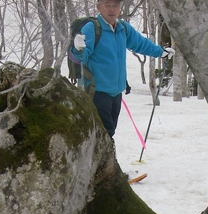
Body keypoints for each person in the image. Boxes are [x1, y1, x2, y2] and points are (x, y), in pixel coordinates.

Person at [72, 0, 174, 137]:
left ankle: (103, 157)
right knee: (104, 133)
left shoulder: (123, 28)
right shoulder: (92, 28)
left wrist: (161, 52)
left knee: (108, 132)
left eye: (115, 5)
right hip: (96, 92)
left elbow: (141, 44)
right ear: (99, 7)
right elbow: (80, 57)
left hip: (116, 93)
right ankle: (105, 157)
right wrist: (77, 48)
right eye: (107, 5)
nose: (111, 9)